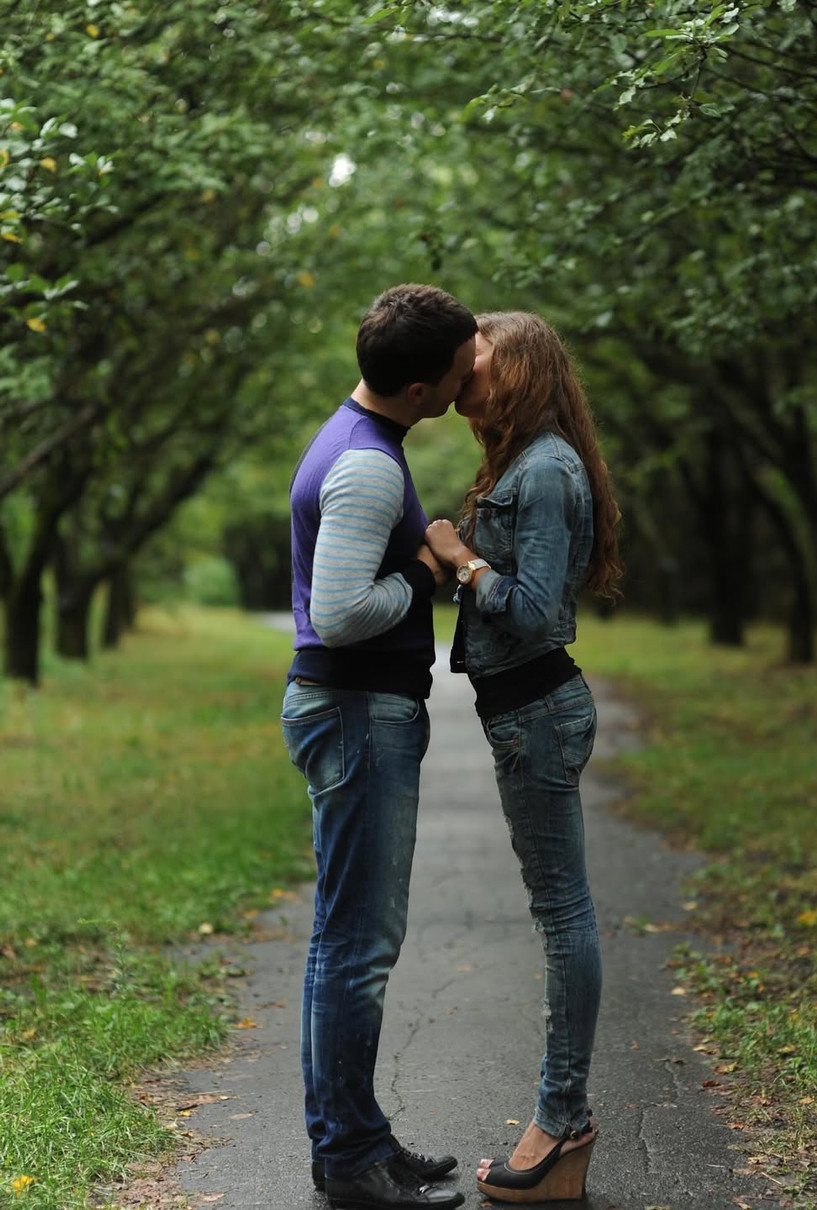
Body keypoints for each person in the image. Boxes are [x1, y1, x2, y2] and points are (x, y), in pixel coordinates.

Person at [281, 284, 476, 1210]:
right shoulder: (367, 467)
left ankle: (356, 1143)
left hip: (353, 712)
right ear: (417, 384)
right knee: (357, 947)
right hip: (356, 712)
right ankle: (350, 1164)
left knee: (346, 940)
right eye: (460, 367)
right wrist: (427, 570)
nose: (472, 374)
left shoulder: (366, 441)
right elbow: (342, 613)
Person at [424, 311, 621, 1204]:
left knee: (564, 916)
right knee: (559, 912)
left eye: (478, 358)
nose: (463, 370)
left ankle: (561, 1119)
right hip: (527, 710)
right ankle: (561, 1122)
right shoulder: (521, 461)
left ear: (523, 369)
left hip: (539, 709)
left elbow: (535, 609)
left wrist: (462, 559)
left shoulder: (543, 469)